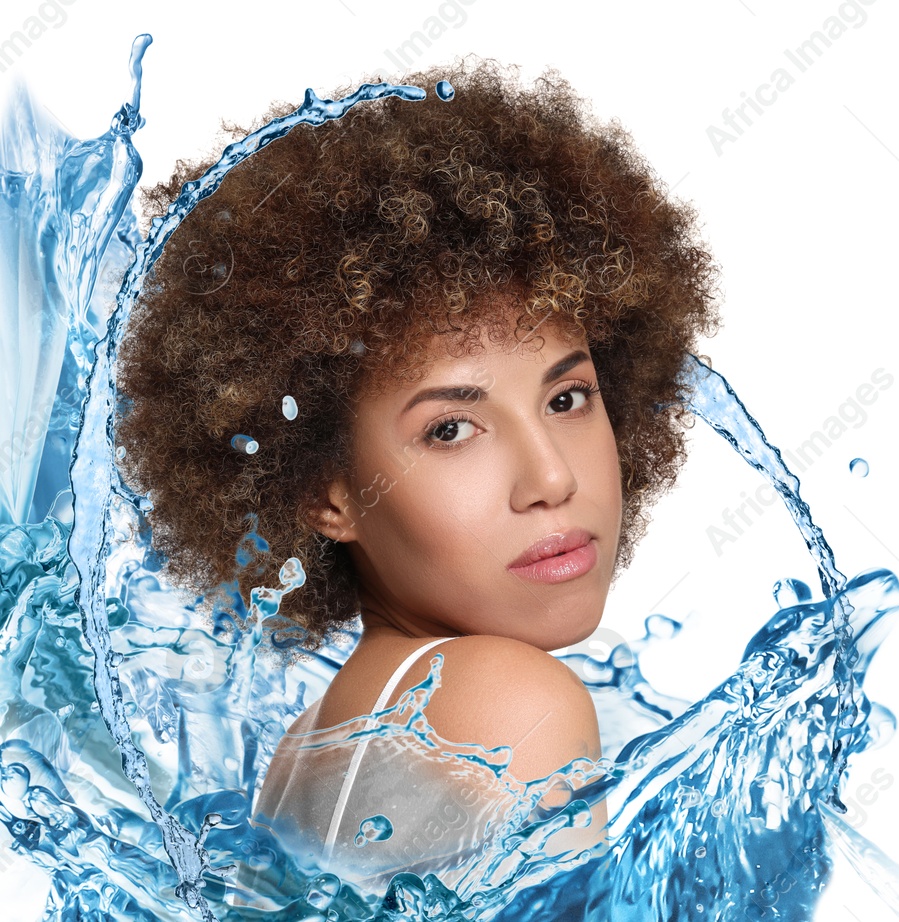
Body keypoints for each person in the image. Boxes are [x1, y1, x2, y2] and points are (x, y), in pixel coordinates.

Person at [110, 55, 721, 901]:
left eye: (569, 396)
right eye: (451, 428)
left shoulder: (310, 747)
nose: (549, 476)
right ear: (326, 494)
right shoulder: (506, 700)